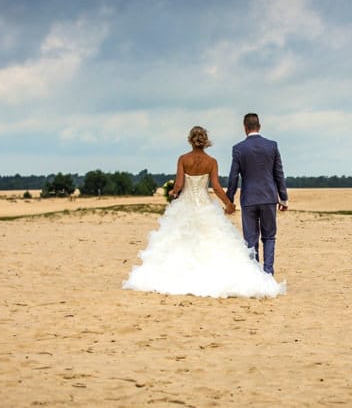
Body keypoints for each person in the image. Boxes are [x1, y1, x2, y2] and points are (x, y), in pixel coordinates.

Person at [122, 126, 286, 298]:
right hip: (205, 206)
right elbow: (215, 187)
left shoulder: (183, 159)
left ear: (190, 140)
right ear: (206, 141)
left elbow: (178, 185)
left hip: (185, 206)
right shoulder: (212, 162)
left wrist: (172, 192)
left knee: (182, 239)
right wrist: (228, 204)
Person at [226, 113, 288, 275]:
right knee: (269, 237)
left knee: (251, 240)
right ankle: (268, 273)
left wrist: (229, 200)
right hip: (268, 197)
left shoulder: (238, 148)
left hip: (249, 199)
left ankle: (255, 276)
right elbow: (279, 174)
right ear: (259, 126)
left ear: (245, 128)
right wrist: (283, 198)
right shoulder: (272, 146)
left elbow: (233, 177)